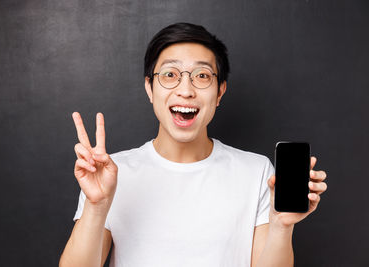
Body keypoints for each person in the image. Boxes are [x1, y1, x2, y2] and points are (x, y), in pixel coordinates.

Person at [59, 22, 328, 267]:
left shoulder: (256, 172)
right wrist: (96, 207)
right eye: (170, 74)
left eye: (201, 76)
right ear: (149, 88)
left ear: (220, 90)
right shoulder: (111, 173)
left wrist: (282, 227)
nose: (185, 90)